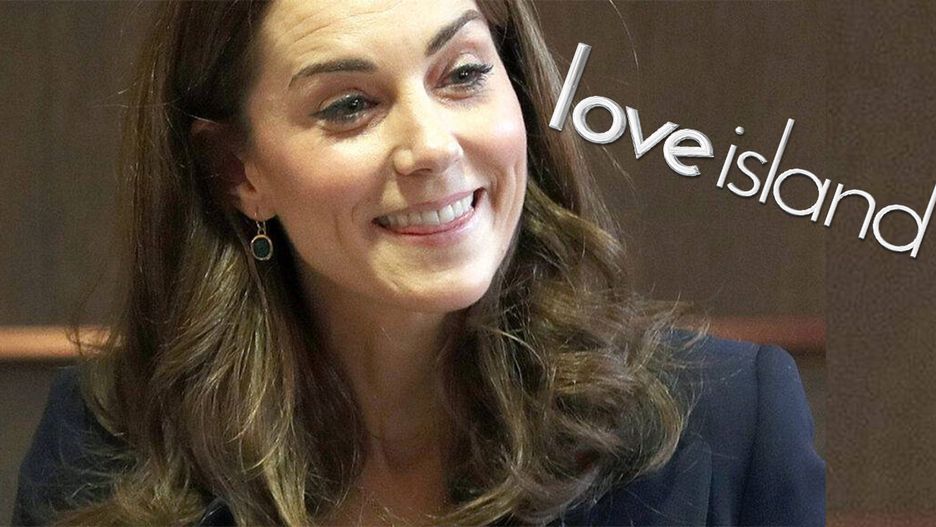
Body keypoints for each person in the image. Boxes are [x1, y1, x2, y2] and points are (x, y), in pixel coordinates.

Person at [12, 0, 825, 525]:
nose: (431, 145)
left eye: (464, 74)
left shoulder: (735, 422)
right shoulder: (109, 438)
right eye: (349, 105)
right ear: (238, 172)